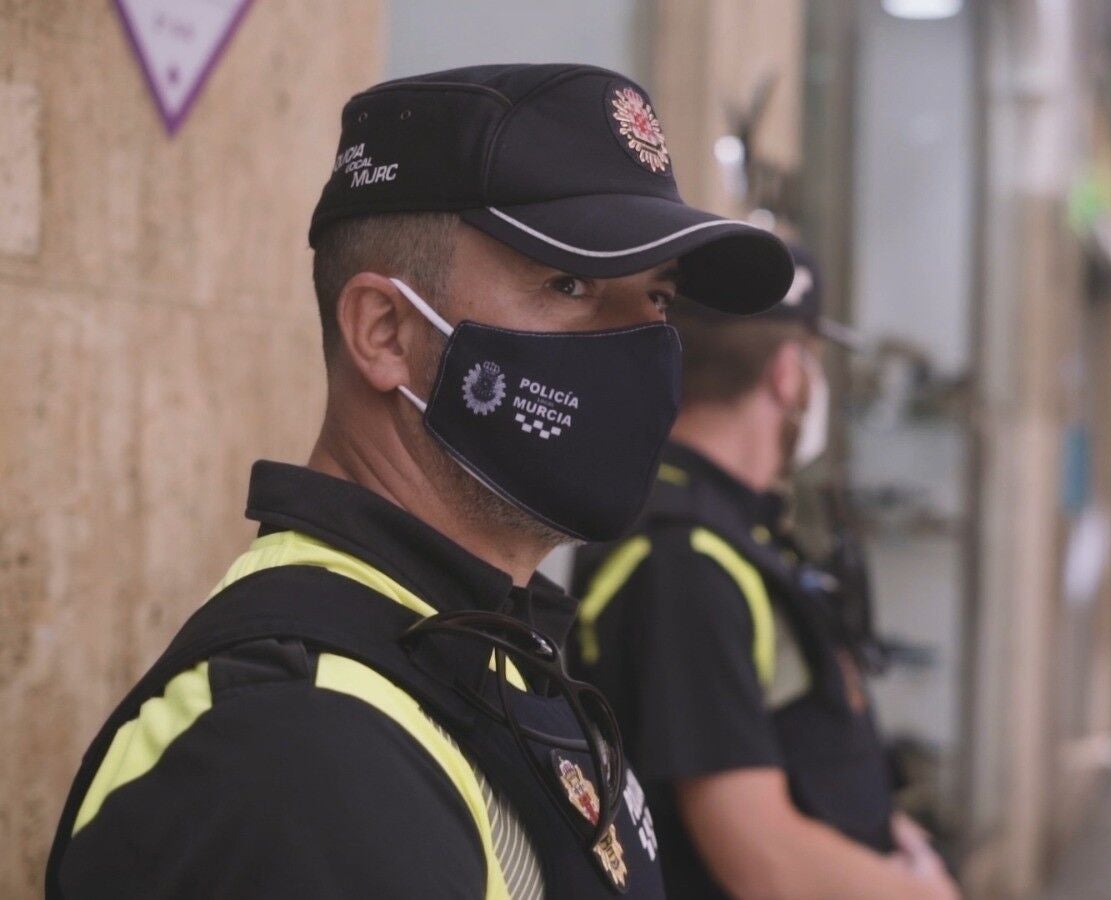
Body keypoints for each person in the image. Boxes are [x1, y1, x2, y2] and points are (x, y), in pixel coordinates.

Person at [45, 64, 794, 899]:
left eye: (656, 299)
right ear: (385, 332)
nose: (642, 350)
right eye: (570, 286)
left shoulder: (481, 649)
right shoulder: (300, 749)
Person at [568, 250, 961, 898]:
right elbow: (762, 857)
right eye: (814, 362)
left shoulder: (729, 530)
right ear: (787, 374)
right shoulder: (686, 562)